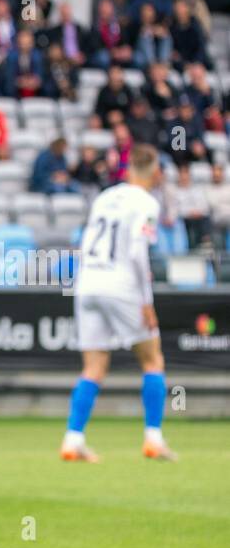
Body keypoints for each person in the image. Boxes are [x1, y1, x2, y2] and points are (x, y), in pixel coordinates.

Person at [62, 144, 175, 463]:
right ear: (155, 173)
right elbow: (138, 253)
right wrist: (146, 301)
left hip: (88, 283)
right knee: (152, 360)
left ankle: (73, 439)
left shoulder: (104, 196)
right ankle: (153, 437)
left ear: (127, 170)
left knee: (94, 366)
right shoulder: (146, 203)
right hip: (121, 283)